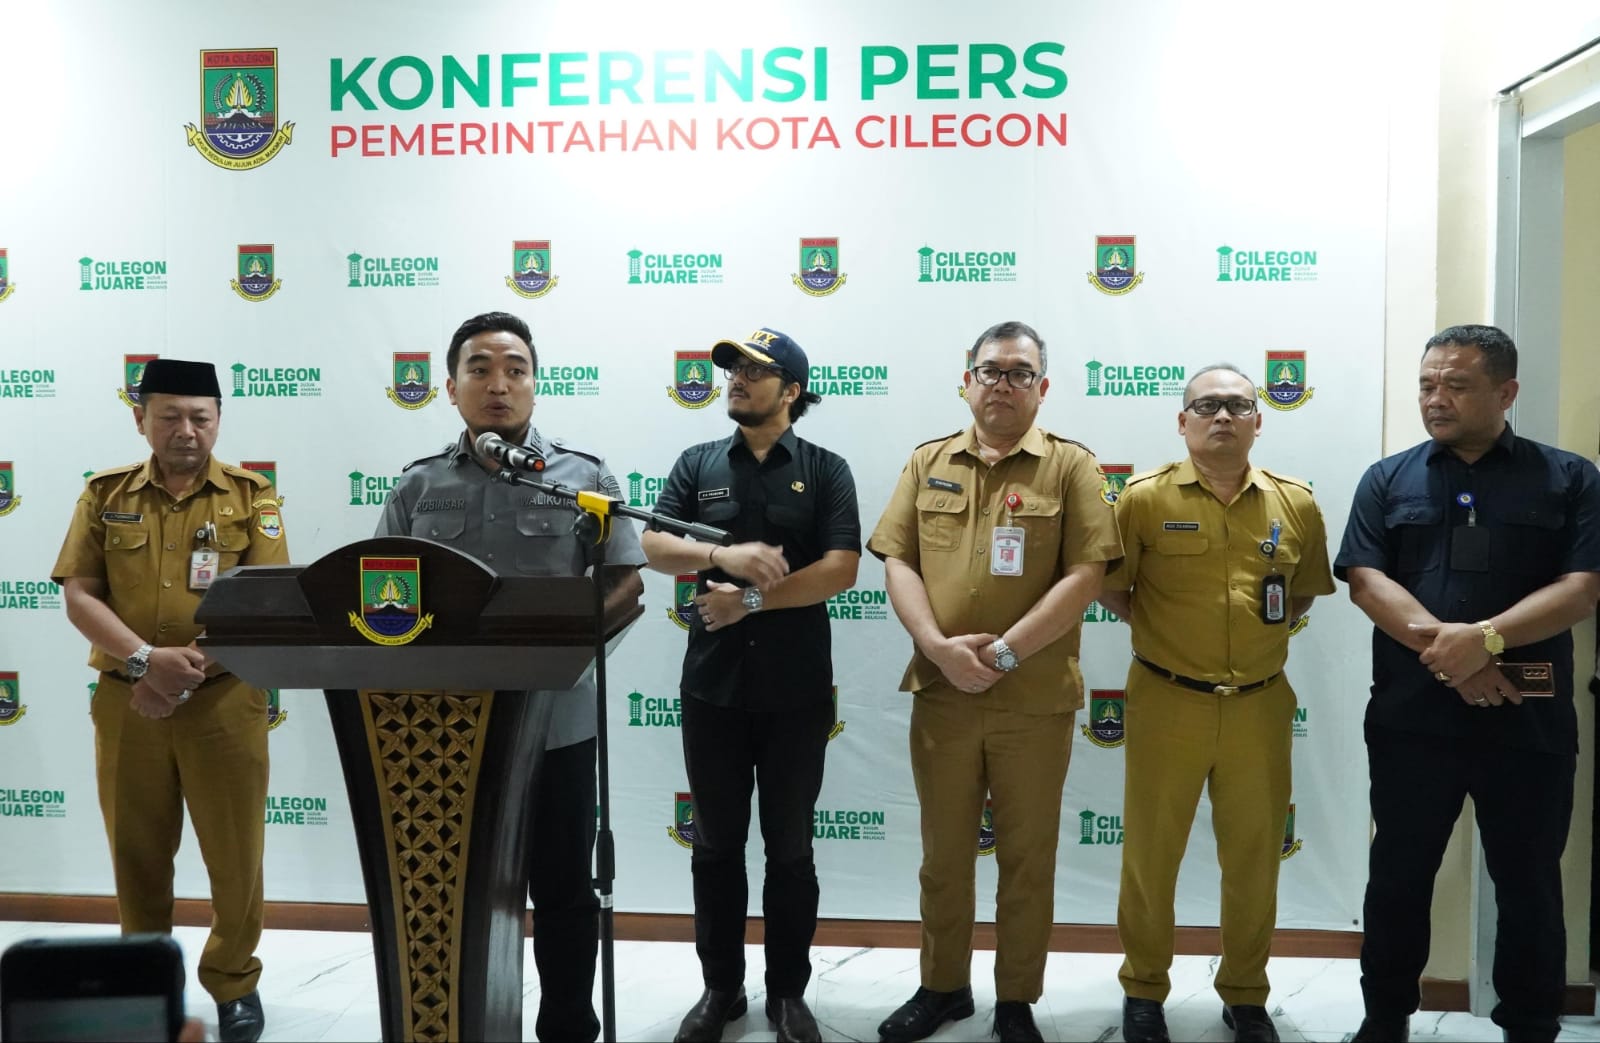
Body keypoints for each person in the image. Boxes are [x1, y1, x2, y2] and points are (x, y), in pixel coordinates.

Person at [374, 311, 645, 1043]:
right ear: (450, 386)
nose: (499, 384)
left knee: (564, 888)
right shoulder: (419, 484)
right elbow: (377, 594)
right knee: (457, 893)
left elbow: (625, 585)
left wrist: (559, 658)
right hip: (445, 731)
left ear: (535, 382)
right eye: (480, 369)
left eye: (515, 369)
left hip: (557, 724)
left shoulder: (584, 478)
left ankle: (568, 1026)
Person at [1335, 324, 1600, 1043]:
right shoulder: (1387, 479)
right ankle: (1385, 1017)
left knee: (1530, 882)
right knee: (1398, 875)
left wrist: (1484, 640)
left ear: (1506, 392)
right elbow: (1366, 581)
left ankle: (1532, 1025)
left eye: (1456, 385)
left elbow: (1581, 588)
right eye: (1427, 384)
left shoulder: (1570, 478)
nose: (1436, 398)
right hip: (1413, 719)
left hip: (1528, 719)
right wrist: (1457, 656)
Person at [867, 320, 1122, 1043]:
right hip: (943, 694)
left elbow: (1087, 574)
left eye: (1019, 373)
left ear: (1042, 387)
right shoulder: (927, 462)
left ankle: (1016, 999)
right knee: (944, 855)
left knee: (1027, 858)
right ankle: (942, 986)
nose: (1002, 385)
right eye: (990, 371)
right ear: (967, 381)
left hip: (1033, 701)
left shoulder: (1072, 467)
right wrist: (937, 648)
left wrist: (1004, 654)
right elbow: (899, 560)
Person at [51, 359, 289, 1043]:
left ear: (218, 420)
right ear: (141, 419)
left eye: (200, 417)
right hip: (127, 702)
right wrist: (143, 663)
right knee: (138, 852)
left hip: (224, 702)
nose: (186, 429)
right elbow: (80, 593)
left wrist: (180, 673)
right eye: (170, 416)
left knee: (235, 855)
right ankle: (146, 982)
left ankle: (234, 983)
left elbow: (268, 601)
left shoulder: (252, 496)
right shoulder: (105, 494)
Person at [1096, 364, 1335, 1043]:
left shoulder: (1295, 502)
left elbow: (1303, 590)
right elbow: (1111, 586)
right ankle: (1144, 989)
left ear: (1259, 420)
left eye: (1237, 405)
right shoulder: (1142, 498)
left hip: (1259, 703)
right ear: (1183, 421)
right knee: (1151, 854)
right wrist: (1162, 633)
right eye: (1206, 406)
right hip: (1167, 699)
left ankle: (1246, 994)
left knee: (1255, 857)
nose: (1223, 416)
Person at [639, 327, 860, 1043]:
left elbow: (841, 569)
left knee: (790, 850)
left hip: (796, 692)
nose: (735, 378)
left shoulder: (826, 470)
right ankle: (721, 989)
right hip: (713, 689)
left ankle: (788, 994)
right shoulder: (697, 463)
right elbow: (653, 543)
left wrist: (752, 601)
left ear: (792, 390)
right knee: (714, 848)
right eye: (732, 368)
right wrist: (720, 555)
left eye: (754, 370)